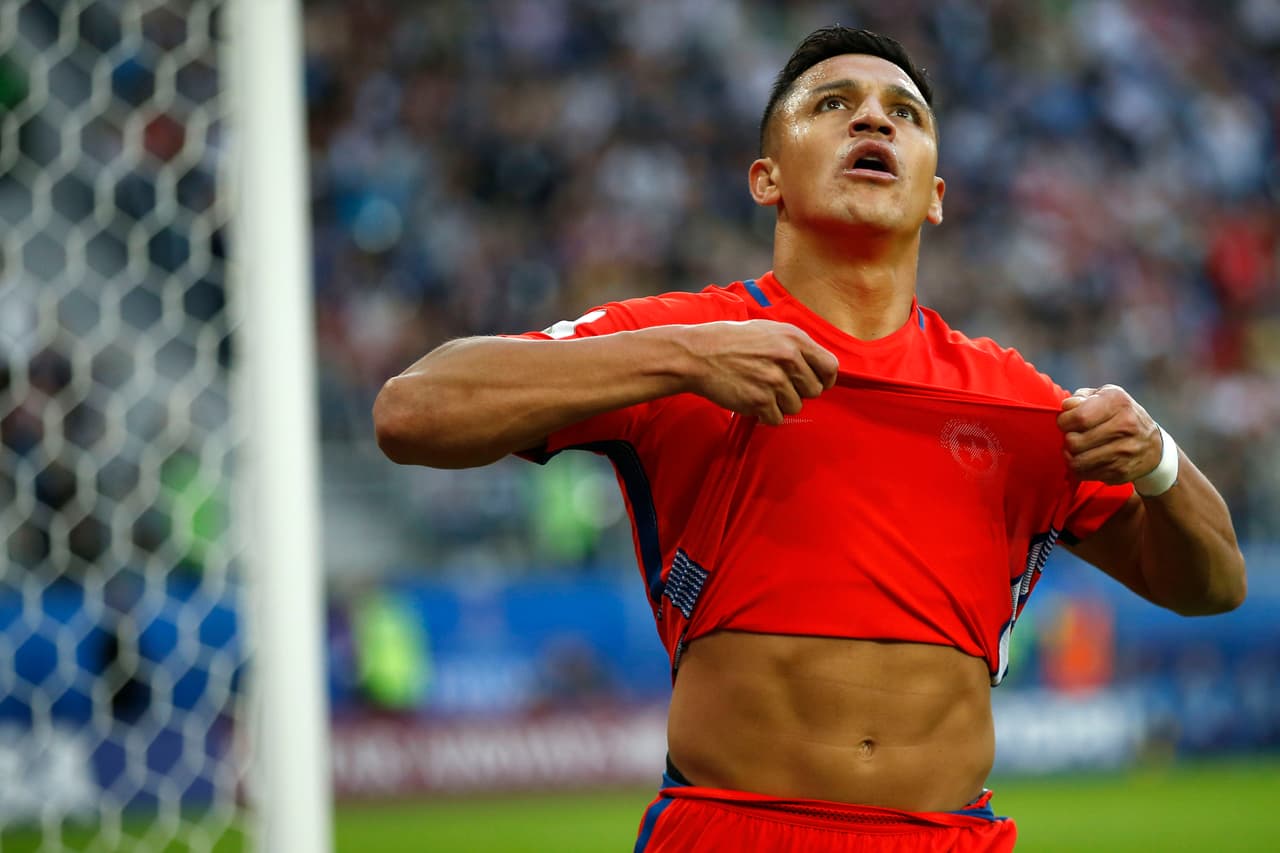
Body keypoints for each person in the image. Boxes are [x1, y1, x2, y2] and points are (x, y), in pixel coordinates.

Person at [373, 26, 1246, 852]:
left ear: (935, 195)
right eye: (832, 104)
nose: (873, 118)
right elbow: (411, 412)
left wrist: (1160, 460)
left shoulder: (1019, 403)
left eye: (905, 114)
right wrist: (680, 357)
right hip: (729, 826)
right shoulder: (688, 339)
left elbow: (1212, 584)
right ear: (767, 180)